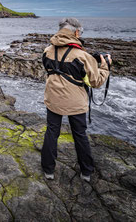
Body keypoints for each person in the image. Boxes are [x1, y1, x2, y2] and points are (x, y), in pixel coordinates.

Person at [41, 18, 111, 182]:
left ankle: (48, 170)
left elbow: (49, 69)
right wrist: (105, 65)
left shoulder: (47, 50)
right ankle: (86, 171)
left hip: (53, 98)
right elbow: (96, 82)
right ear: (76, 32)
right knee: (80, 135)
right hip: (75, 103)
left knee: (52, 132)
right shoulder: (82, 55)